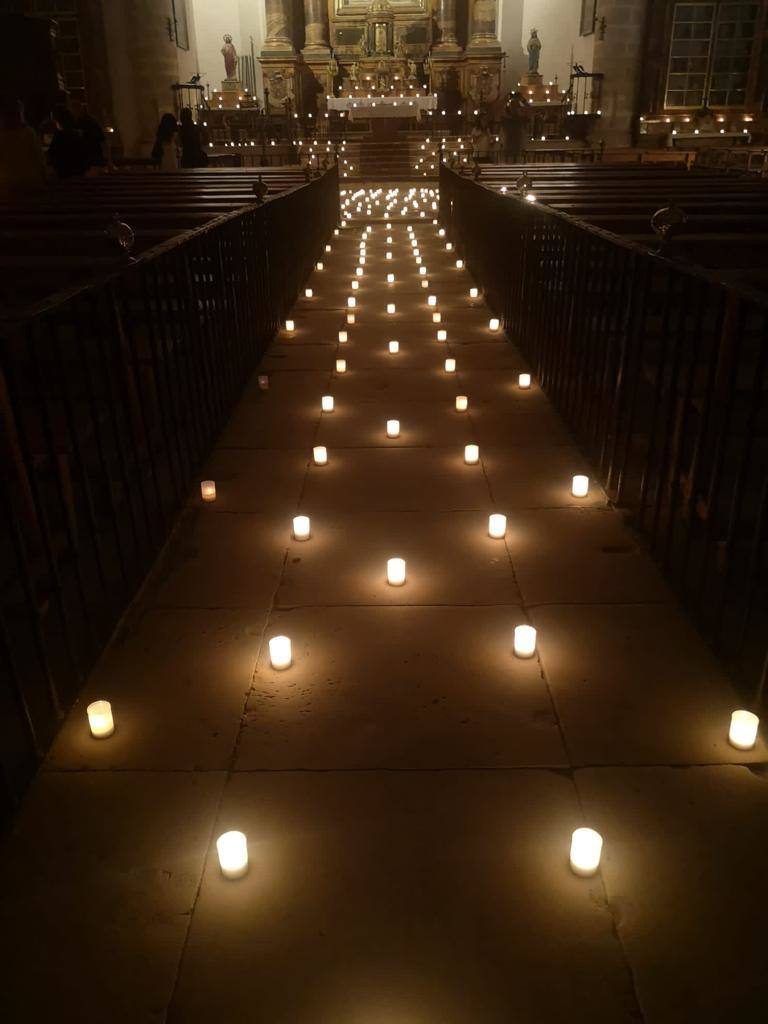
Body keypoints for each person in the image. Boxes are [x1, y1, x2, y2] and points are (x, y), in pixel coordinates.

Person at [0, 95, 46, 192]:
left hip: (7, 185)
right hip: (30, 183)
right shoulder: (28, 133)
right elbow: (39, 158)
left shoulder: (3, 135)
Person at [47, 103, 88, 179]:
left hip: (64, 176)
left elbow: (52, 155)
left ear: (57, 121)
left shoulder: (59, 136)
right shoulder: (77, 134)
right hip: (79, 175)